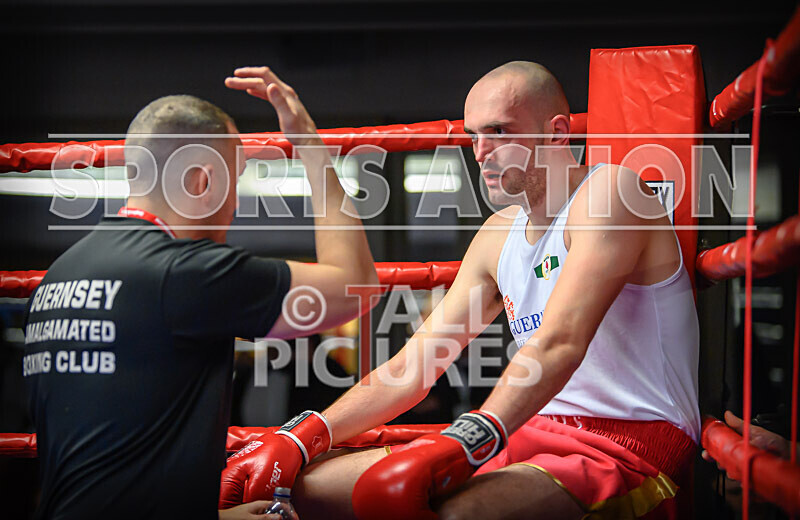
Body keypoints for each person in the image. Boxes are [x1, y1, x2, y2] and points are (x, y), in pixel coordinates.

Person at [220, 61, 701, 519]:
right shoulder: (498, 235)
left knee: (453, 513)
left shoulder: (609, 194)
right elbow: (416, 364)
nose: (481, 151)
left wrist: (471, 435)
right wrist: (306, 434)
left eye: (499, 131)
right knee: (305, 489)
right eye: (474, 134)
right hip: (530, 428)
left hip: (629, 445)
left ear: (556, 132)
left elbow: (561, 342)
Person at [22, 67, 378, 520]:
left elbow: (111, 466)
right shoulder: (184, 273)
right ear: (201, 182)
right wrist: (309, 143)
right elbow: (356, 285)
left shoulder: (60, 274)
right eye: (236, 179)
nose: (238, 204)